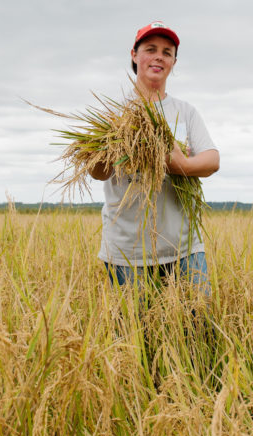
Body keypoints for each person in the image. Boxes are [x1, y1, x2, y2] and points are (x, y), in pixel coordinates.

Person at [90, 21, 220, 293]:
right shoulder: (114, 114)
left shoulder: (184, 112)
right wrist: (118, 148)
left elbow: (212, 160)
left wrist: (181, 165)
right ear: (134, 55)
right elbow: (98, 172)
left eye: (167, 51)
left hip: (184, 247)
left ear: (173, 62)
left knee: (197, 326)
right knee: (135, 331)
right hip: (128, 250)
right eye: (150, 49)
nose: (159, 56)